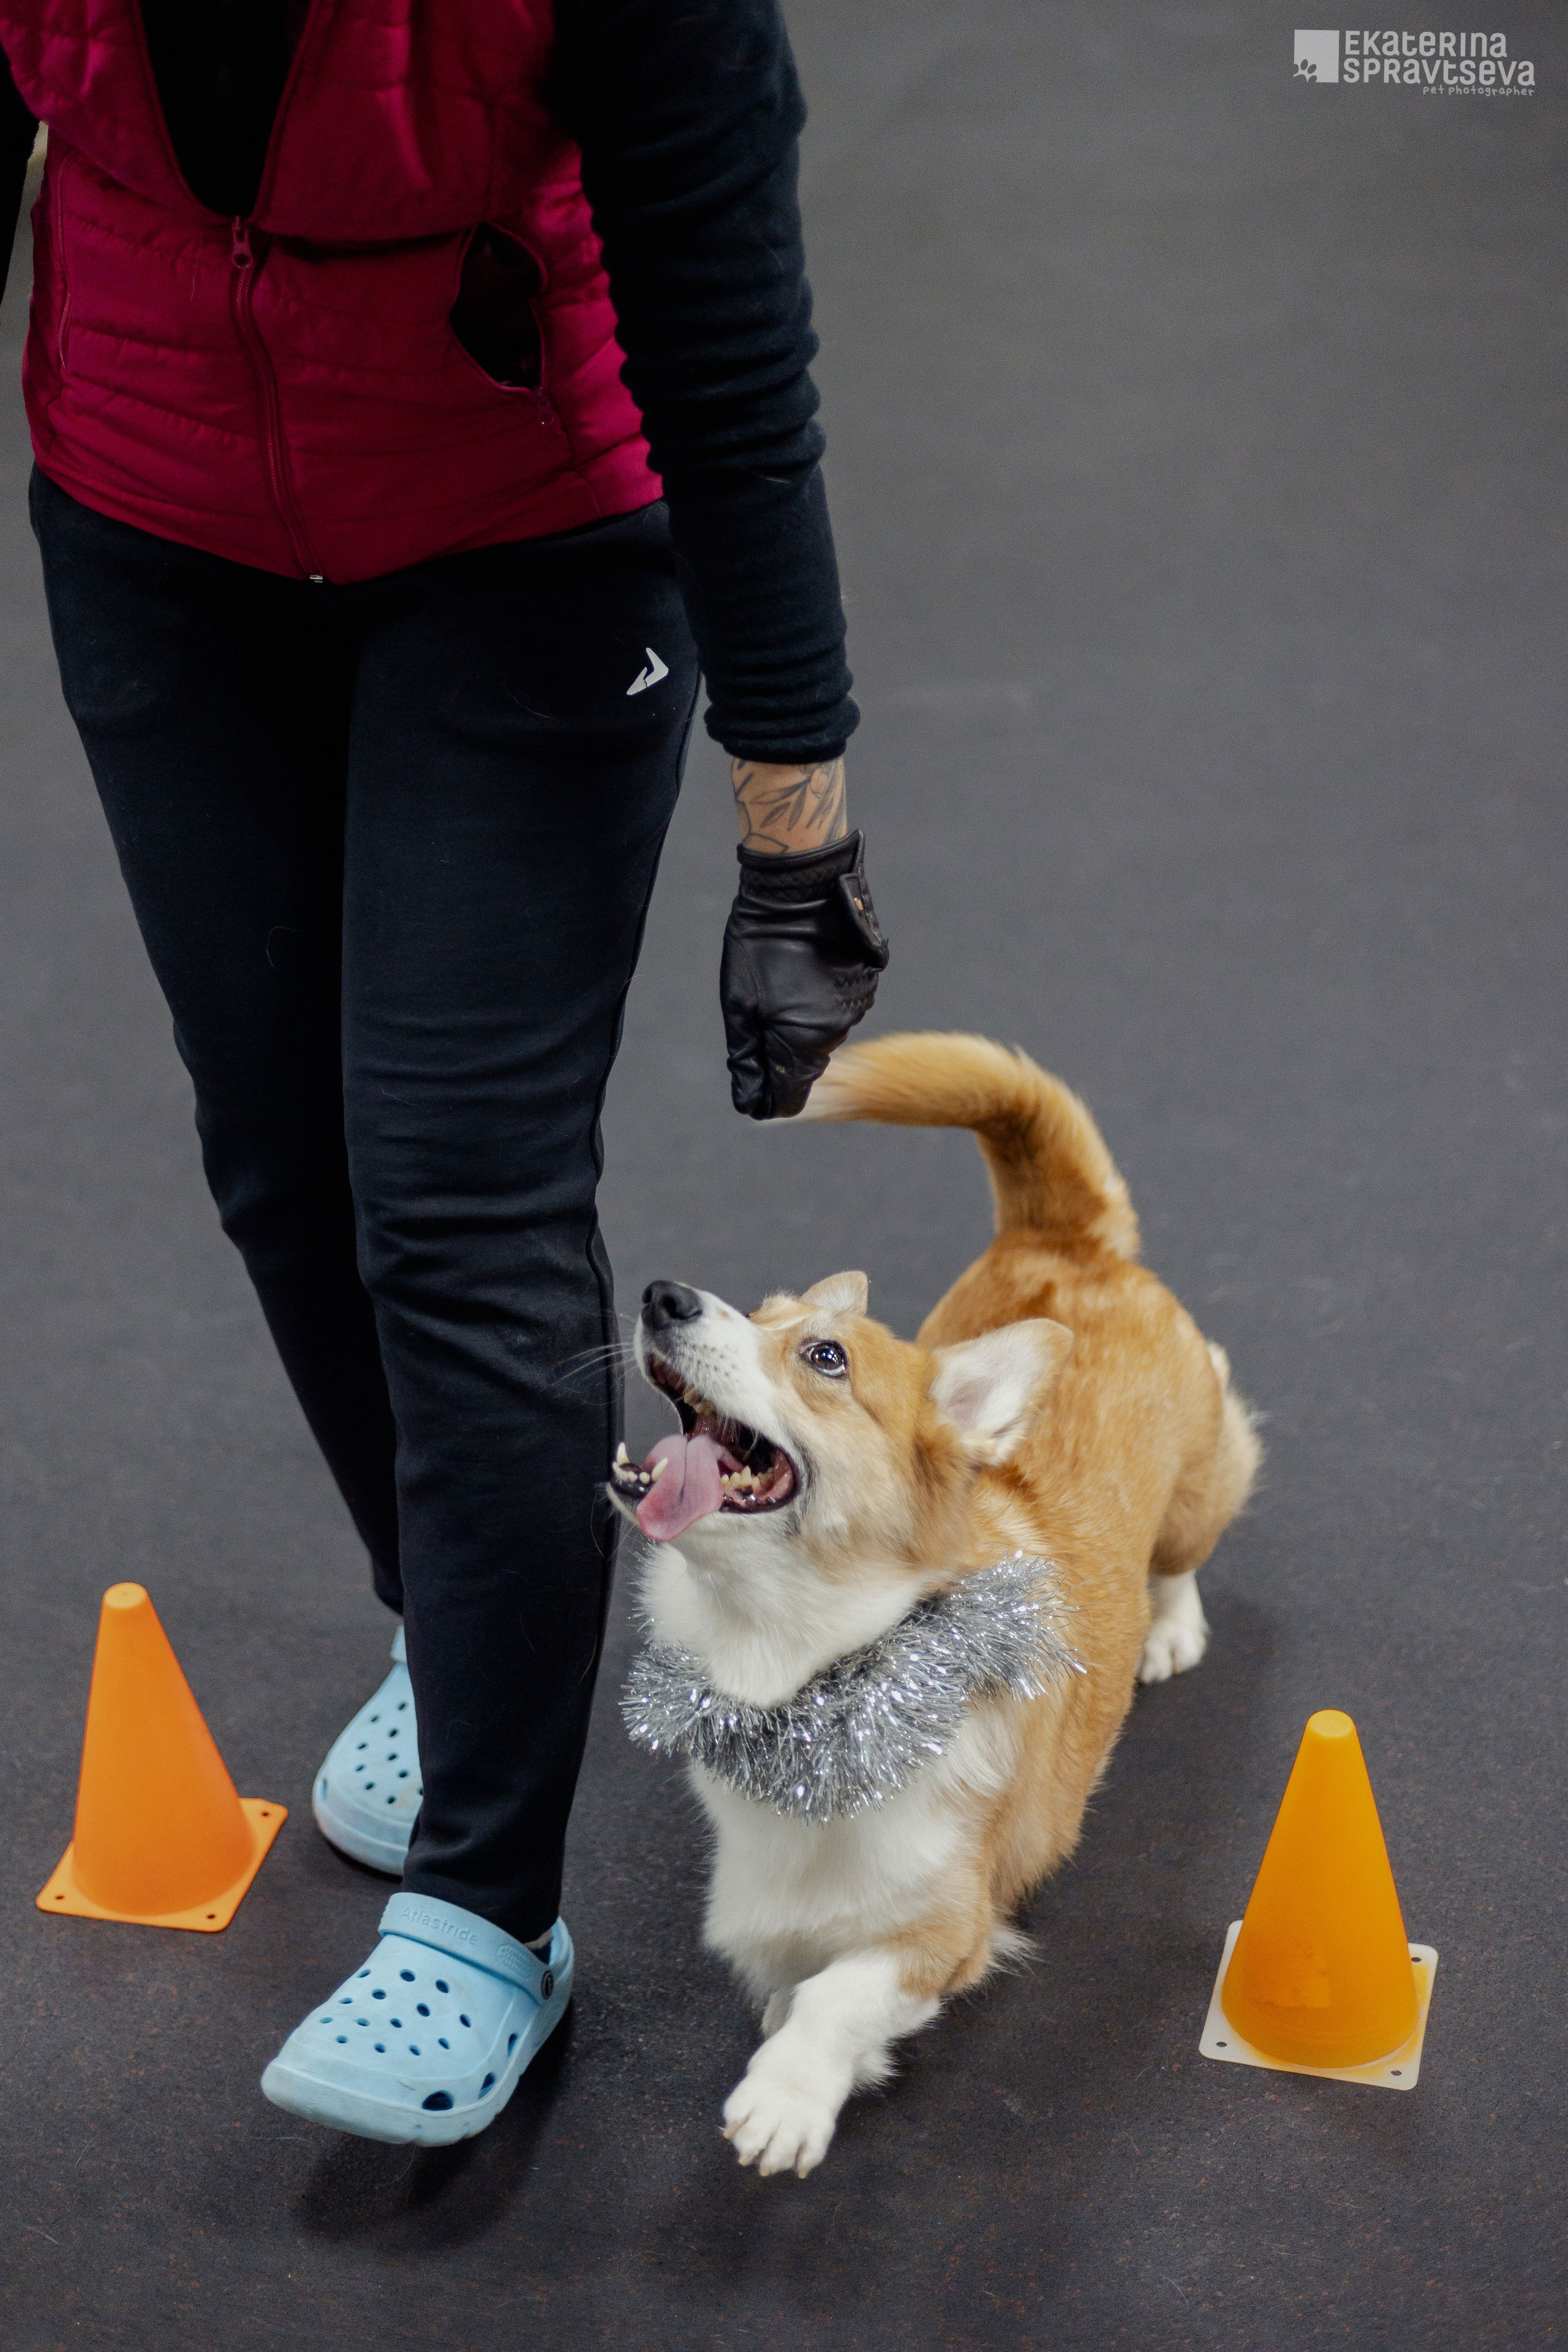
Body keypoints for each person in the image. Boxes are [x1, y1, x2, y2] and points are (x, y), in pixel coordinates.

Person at [0, 0, 886, 2145]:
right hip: (151, 516)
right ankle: (455, 1625)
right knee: (282, 1163)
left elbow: (732, 363)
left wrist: (798, 827)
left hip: (526, 543)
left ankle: (487, 1911)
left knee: (457, 1199)